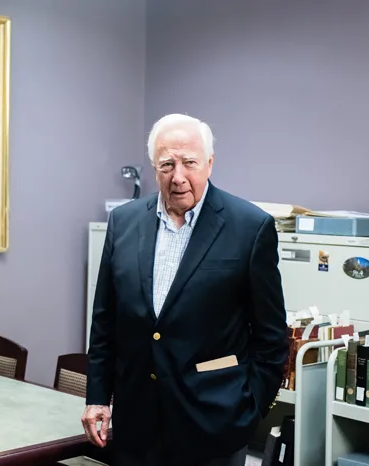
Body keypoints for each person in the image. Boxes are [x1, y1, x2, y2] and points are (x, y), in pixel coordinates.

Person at [82, 114, 289, 466]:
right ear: (153, 167)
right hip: (137, 423)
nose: (178, 177)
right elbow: (105, 320)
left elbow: (271, 337)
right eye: (167, 164)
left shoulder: (250, 227)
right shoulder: (124, 222)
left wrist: (249, 407)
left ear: (209, 163)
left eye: (189, 162)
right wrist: (98, 397)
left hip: (215, 424)